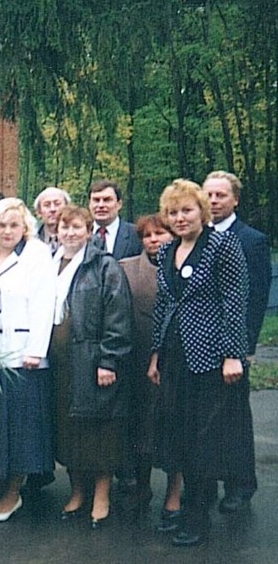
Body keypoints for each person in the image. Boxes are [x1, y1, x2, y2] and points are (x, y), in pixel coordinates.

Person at [148, 179, 250, 547]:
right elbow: (163, 305)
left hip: (209, 360)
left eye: (186, 210)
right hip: (175, 358)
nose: (179, 218)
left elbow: (234, 302)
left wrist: (232, 354)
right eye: (173, 212)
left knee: (202, 441)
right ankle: (185, 510)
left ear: (202, 211)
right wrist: (156, 355)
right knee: (177, 437)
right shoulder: (167, 251)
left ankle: (196, 518)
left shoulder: (222, 245)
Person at [51, 205, 133, 530]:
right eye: (64, 227)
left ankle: (101, 496)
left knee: (101, 431)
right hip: (59, 363)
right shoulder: (50, 263)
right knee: (69, 429)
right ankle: (76, 492)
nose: (70, 233)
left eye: (76, 228)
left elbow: (118, 315)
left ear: (88, 231)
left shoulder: (103, 265)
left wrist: (109, 360)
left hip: (92, 360)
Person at [0, 198, 56, 523]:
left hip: (24, 356)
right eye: (2, 225)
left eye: (14, 225)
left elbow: (43, 303)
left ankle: (12, 494)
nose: (8, 231)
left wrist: (36, 349)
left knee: (21, 430)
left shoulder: (36, 255)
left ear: (25, 228)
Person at [203, 170, 271, 513]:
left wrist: (243, 348)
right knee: (204, 417)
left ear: (235, 200)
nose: (214, 201)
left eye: (220, 195)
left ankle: (239, 485)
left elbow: (255, 299)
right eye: (209, 195)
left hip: (232, 345)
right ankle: (205, 483)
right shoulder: (195, 236)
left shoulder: (251, 240)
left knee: (233, 418)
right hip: (199, 344)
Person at [118, 215, 177, 524]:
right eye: (147, 235)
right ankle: (141, 486)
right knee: (141, 425)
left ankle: (175, 492)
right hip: (137, 357)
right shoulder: (126, 268)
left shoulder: (182, 266)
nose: (154, 240)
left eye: (160, 233)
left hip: (176, 356)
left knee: (174, 425)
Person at [88, 179, 142, 260]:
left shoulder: (136, 234)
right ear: (89, 204)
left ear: (119, 204)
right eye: (96, 200)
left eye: (107, 200)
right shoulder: (80, 234)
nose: (101, 205)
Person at [34, 186, 71, 255]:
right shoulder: (31, 239)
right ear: (38, 212)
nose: (52, 209)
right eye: (47, 205)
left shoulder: (76, 238)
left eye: (57, 204)